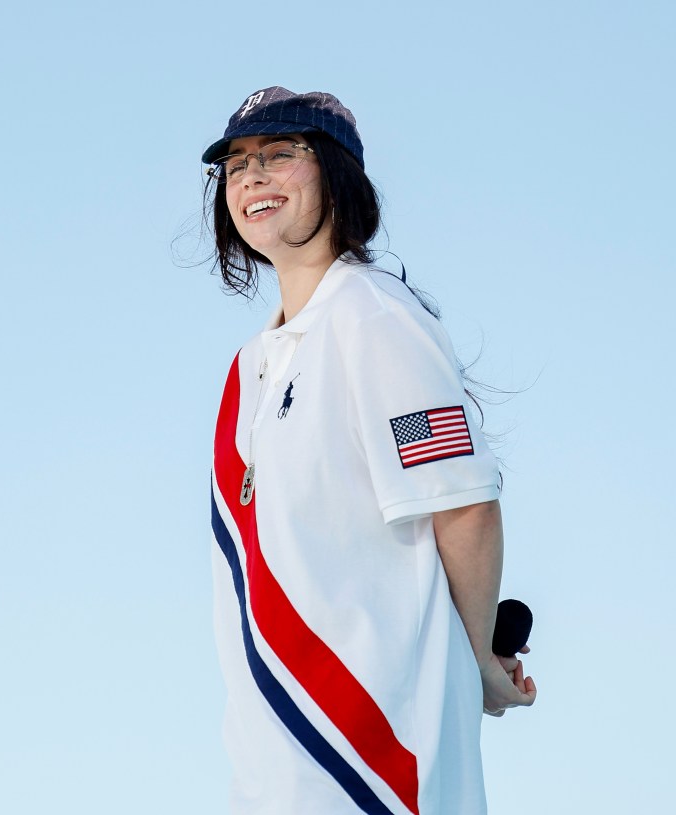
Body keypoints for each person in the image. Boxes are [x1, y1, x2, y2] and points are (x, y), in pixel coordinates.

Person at [203, 86, 535, 815]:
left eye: (281, 154)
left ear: (338, 175)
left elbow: (463, 503)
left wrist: (478, 657)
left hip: (377, 762)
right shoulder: (249, 369)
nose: (253, 176)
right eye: (235, 166)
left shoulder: (375, 321)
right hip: (270, 774)